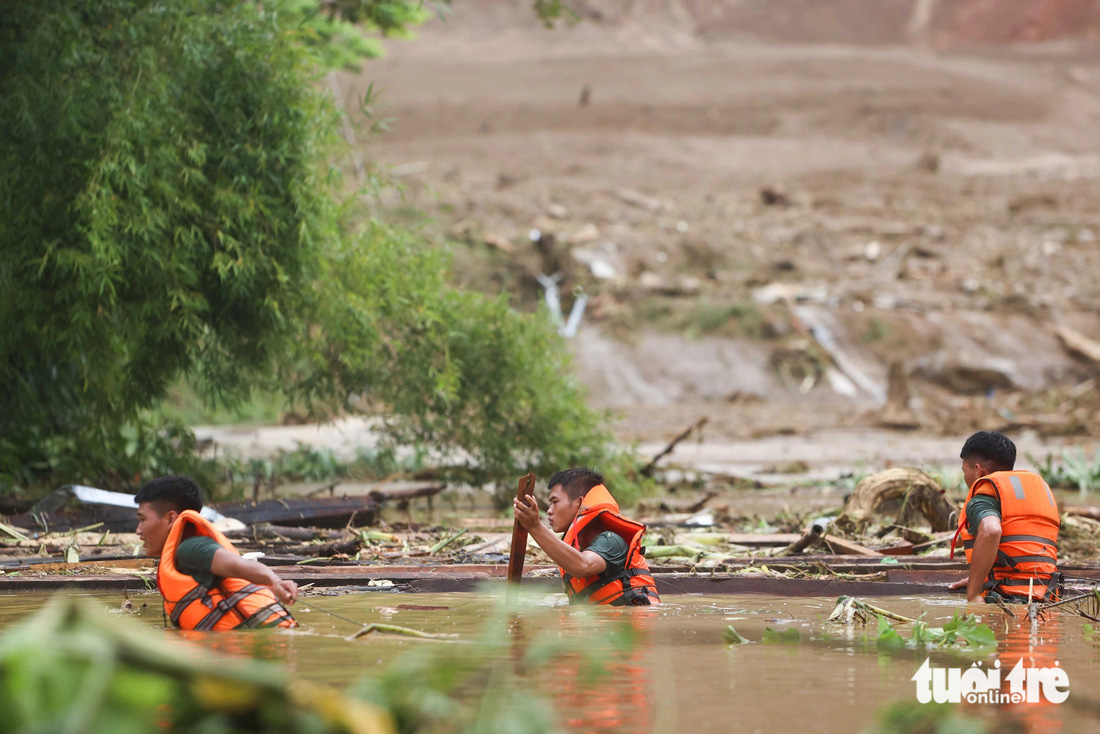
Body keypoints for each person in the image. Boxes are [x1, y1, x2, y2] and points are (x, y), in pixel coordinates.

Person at [135, 476, 298, 630]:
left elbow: (239, 565)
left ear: (171, 519)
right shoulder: (186, 550)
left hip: (261, 643)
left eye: (142, 520)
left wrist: (275, 582)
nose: (138, 531)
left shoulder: (192, 547)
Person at [512, 467, 659, 606]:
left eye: (555, 502)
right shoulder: (578, 548)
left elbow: (583, 566)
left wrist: (535, 527)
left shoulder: (611, 541)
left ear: (580, 503)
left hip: (635, 624)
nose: (549, 511)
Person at [948, 431, 1060, 603]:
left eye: (965, 471)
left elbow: (991, 530)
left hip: (1007, 597)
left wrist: (973, 593)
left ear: (978, 470)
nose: (965, 477)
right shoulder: (1038, 491)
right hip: (1047, 596)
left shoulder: (983, 498)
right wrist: (979, 578)